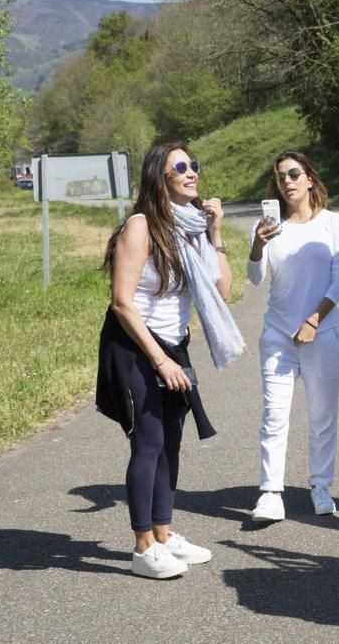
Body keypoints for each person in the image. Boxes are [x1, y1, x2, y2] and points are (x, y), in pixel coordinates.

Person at [96, 142, 244, 579]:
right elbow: (122, 303)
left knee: (171, 441)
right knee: (149, 441)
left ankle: (164, 533)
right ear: (158, 177)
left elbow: (220, 291)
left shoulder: (191, 227)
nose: (191, 172)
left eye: (194, 164)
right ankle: (143, 546)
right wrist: (160, 361)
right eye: (181, 166)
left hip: (174, 345)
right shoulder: (140, 227)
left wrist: (216, 234)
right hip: (136, 345)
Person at [247, 151, 339, 522]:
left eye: (294, 174)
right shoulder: (268, 227)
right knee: (274, 417)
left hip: (322, 334)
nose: (288, 181)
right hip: (278, 335)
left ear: (310, 178)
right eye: (280, 177)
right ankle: (271, 493)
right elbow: (255, 279)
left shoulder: (333, 223)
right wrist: (258, 245)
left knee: (322, 416)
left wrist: (313, 320)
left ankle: (321, 486)